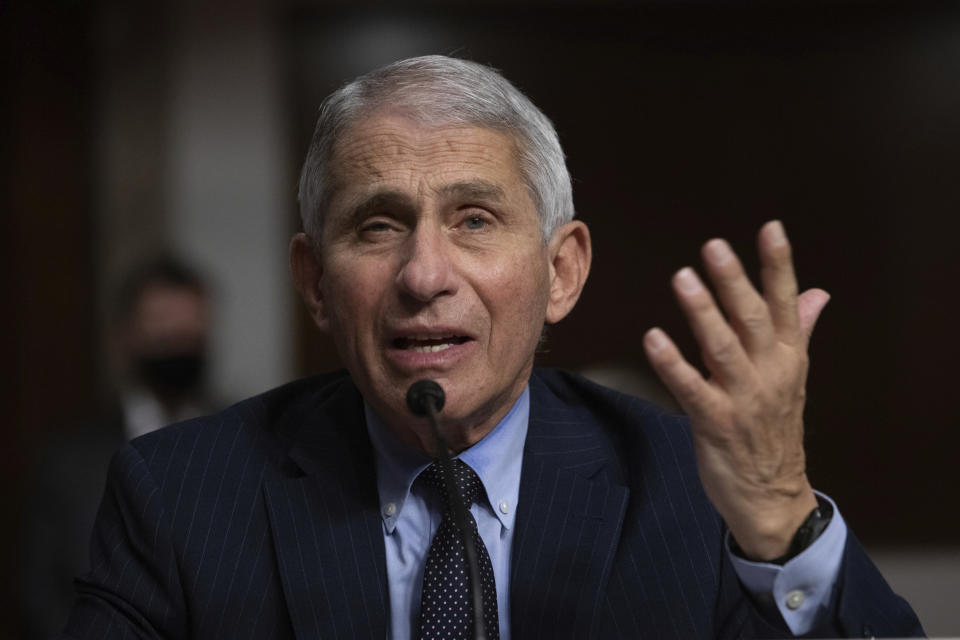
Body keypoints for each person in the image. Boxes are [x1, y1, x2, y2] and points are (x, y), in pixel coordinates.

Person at [59, 56, 921, 639]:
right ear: (316, 282)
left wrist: (780, 522)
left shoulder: (692, 491)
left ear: (561, 271)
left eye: (475, 220)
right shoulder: (176, 497)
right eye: (379, 224)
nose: (425, 273)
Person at [20, 256, 217, 638]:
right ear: (124, 337)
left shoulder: (246, 438)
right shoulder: (69, 462)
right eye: (162, 326)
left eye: (189, 328)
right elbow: (40, 591)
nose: (177, 339)